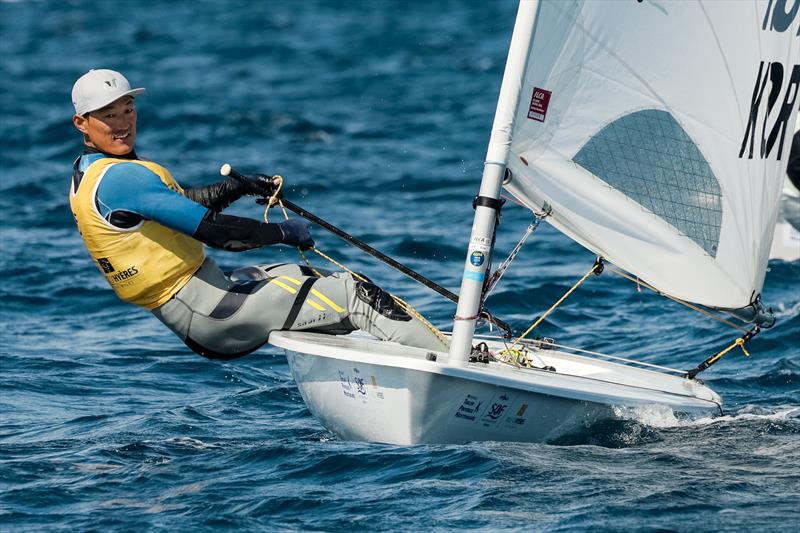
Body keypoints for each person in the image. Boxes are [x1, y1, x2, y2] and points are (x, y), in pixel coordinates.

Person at [69, 69, 448, 359]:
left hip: (200, 310)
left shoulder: (88, 172)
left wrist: (237, 187)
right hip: (210, 316)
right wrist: (283, 233)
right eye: (108, 116)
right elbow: (218, 235)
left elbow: (178, 206)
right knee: (356, 294)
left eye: (128, 109)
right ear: (82, 123)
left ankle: (394, 356)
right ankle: (450, 364)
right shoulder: (123, 178)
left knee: (301, 275)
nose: (123, 123)